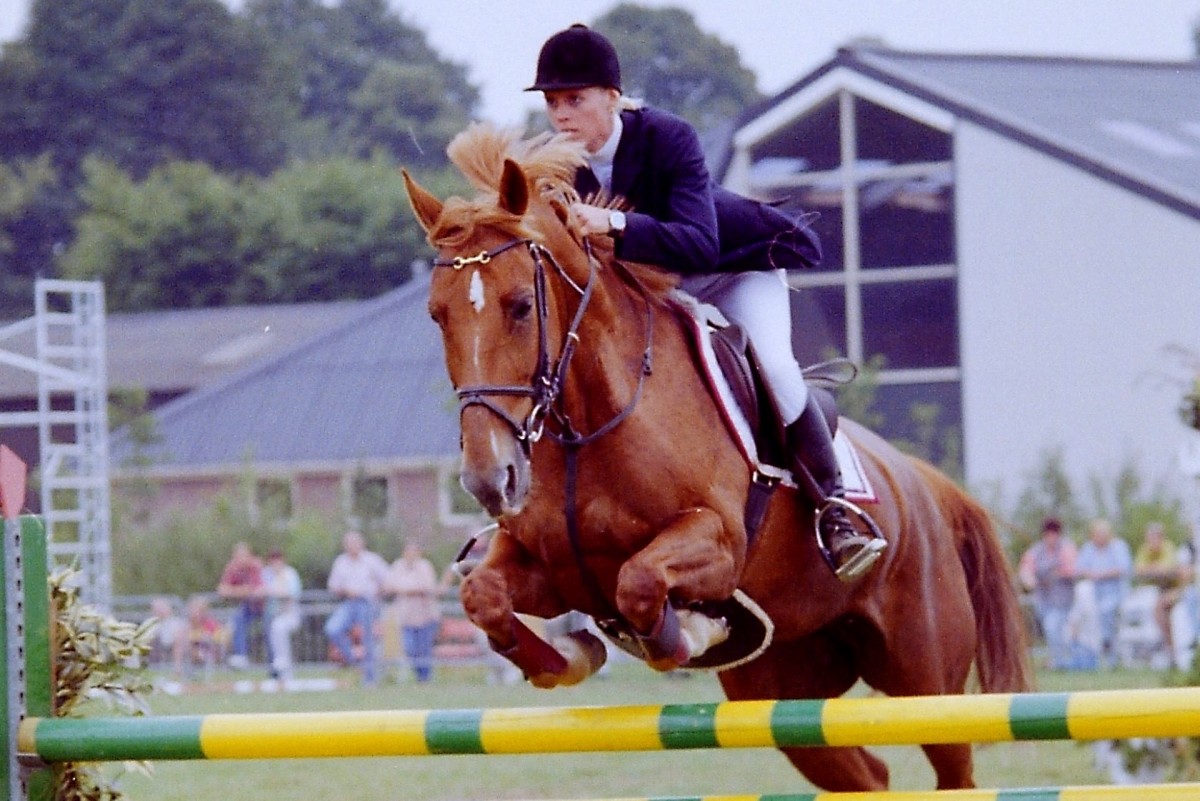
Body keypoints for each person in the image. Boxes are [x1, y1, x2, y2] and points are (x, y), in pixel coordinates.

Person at [526, 24, 885, 582]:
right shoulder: (555, 167)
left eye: (576, 100)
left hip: (732, 269)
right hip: (657, 286)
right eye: (553, 103)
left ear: (613, 98)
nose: (562, 116)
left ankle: (836, 510)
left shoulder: (668, 137)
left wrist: (613, 222)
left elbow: (699, 242)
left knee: (776, 367)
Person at [324, 530, 391, 685]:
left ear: (361, 544)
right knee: (332, 629)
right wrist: (346, 590)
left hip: (368, 603)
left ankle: (370, 678)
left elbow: (388, 580)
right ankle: (354, 661)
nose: (351, 547)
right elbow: (333, 585)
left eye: (354, 543)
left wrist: (378, 592)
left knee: (368, 638)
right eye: (348, 544)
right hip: (349, 603)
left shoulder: (372, 560)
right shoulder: (341, 562)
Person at [1018, 517, 1077, 669]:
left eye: (1054, 534)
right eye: (1048, 534)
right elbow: (1026, 570)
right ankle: (1060, 660)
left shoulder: (1067, 548)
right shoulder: (1036, 551)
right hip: (1044, 601)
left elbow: (1073, 570)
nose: (1051, 538)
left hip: (1064, 601)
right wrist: (1030, 580)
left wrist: (1056, 573)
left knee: (1054, 627)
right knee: (1052, 629)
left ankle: (1060, 661)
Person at [1073, 518, 1132, 668]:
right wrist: (1092, 574)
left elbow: (1123, 568)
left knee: (1106, 611)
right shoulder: (1088, 548)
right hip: (1093, 596)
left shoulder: (1118, 547)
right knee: (1078, 614)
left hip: (1116, 594)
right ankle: (1085, 654)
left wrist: (1100, 575)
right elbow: (1079, 569)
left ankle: (1107, 648)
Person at [388, 540, 441, 683]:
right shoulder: (397, 566)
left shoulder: (425, 566)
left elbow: (428, 586)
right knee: (410, 649)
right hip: (406, 616)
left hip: (425, 615)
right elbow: (391, 586)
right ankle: (419, 675)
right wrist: (411, 589)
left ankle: (425, 679)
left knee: (424, 650)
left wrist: (407, 589)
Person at [1134, 521, 1187, 660]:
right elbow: (1138, 570)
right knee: (1157, 610)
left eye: (1153, 537)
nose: (1151, 540)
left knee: (1161, 608)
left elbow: (1168, 571)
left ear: (1160, 536)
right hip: (1160, 591)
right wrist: (1155, 568)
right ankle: (1168, 649)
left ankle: (1171, 649)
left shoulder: (1168, 547)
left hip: (1179, 589)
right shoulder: (1145, 549)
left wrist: (1152, 569)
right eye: (1149, 537)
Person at [216, 541, 264, 669]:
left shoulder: (256, 566)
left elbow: (254, 589)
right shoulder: (232, 567)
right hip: (248, 607)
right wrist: (242, 591)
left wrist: (234, 591)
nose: (240, 560)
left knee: (271, 628)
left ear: (249, 555)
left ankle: (273, 662)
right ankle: (240, 656)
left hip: (265, 607)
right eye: (237, 556)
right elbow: (222, 590)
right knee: (237, 621)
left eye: (243, 556)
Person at [262, 548, 302, 681]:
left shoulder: (290, 574)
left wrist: (274, 592)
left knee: (278, 627)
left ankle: (282, 662)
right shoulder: (266, 574)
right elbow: (262, 590)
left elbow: (293, 594)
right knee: (275, 632)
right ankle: (278, 668)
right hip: (271, 615)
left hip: (289, 614)